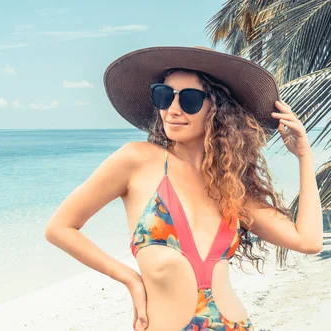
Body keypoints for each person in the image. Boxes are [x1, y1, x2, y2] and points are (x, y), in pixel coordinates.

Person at [44, 46, 323, 331]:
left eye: (189, 100)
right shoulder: (137, 160)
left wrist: (305, 157)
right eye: (164, 96)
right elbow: (60, 228)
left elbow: (308, 241)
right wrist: (131, 280)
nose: (172, 110)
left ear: (218, 110)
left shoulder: (230, 187)